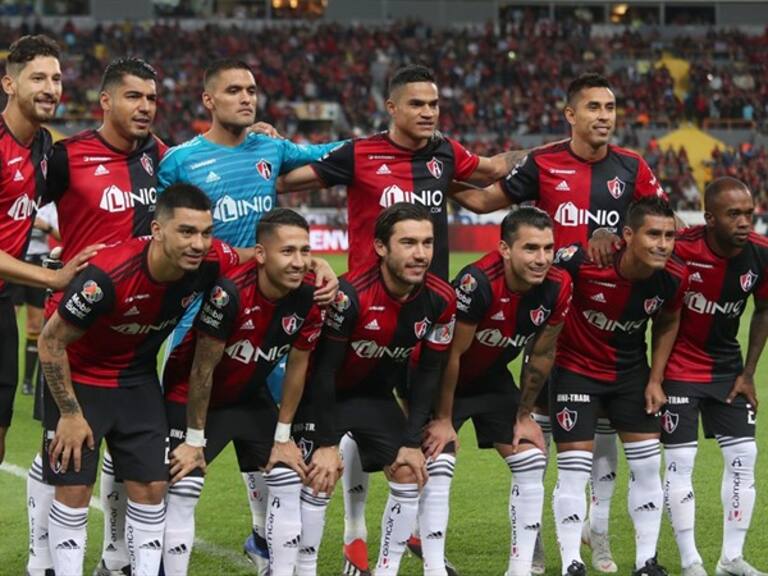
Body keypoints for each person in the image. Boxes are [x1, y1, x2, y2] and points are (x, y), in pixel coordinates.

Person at [278, 64, 521, 575]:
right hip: (359, 312)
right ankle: (354, 534)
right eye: (417, 104)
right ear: (391, 107)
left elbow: (490, 176)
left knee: (421, 437)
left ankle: (421, 543)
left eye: (434, 104)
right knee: (347, 425)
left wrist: (557, 152)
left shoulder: (445, 155)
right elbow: (285, 182)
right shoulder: (359, 153)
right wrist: (265, 147)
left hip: (424, 316)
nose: (428, 112)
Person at [451, 72, 667, 574]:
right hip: (552, 325)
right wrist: (430, 177)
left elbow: (661, 224)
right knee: (536, 441)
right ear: (571, 114)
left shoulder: (632, 167)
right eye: (593, 107)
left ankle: (598, 532)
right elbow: (483, 201)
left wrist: (616, 236)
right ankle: (532, 544)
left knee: (604, 442)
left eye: (610, 107)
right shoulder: (544, 163)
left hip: (608, 327)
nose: (604, 117)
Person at [156, 58, 340, 573]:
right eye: (234, 90)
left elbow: (328, 156)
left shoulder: (270, 149)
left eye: (252, 90)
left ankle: (265, 538)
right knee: (167, 458)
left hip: (268, 320)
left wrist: (384, 144)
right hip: (199, 314)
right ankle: (126, 551)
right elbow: (154, 230)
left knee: (281, 446)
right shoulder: (179, 161)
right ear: (208, 100)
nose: (246, 97)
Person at [37, 183, 245, 576]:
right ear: (157, 230)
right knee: (74, 489)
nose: (198, 244)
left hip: (137, 379)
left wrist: (316, 268)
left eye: (206, 232)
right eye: (186, 231)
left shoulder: (211, 260)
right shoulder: (107, 276)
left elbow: (256, 258)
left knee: (152, 489)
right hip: (80, 378)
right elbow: (50, 343)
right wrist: (69, 413)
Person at [26, 56, 168, 576]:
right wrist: (46, 270)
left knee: (130, 462)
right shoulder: (67, 157)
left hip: (135, 342)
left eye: (151, 98)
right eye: (134, 96)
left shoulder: (161, 157)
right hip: (73, 339)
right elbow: (16, 204)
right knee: (64, 461)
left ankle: (115, 555)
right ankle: (41, 560)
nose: (145, 107)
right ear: (106, 101)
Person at [159, 208, 330, 576]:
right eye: (288, 251)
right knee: (183, 487)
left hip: (249, 396)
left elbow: (298, 368)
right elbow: (202, 370)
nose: (299, 262)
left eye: (305, 251)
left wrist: (283, 437)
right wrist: (194, 441)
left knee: (289, 476)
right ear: (262, 254)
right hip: (191, 396)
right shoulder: (230, 293)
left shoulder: (309, 297)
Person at [290, 202, 457, 576]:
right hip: (322, 399)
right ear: (381, 247)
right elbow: (324, 372)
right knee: (317, 479)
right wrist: (327, 444)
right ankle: (303, 569)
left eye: (427, 243)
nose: (420, 254)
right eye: (408, 243)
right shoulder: (350, 296)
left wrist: (411, 441)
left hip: (374, 398)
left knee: (409, 471)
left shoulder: (441, 299)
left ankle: (385, 569)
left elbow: (429, 371)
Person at [420, 207, 572, 576]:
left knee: (532, 459)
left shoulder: (558, 285)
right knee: (439, 462)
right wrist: (443, 419)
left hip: (491, 378)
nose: (542, 259)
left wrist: (524, 415)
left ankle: (520, 569)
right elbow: (452, 355)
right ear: (505, 249)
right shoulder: (478, 282)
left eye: (548, 248)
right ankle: (433, 567)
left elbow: (542, 355)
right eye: (530, 248)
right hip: (440, 379)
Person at [548, 197, 688, 576]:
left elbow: (669, 321)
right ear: (627, 235)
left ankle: (646, 562)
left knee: (648, 467)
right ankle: (571, 562)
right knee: (574, 471)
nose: (663, 244)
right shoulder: (583, 261)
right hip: (575, 371)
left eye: (669, 236)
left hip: (630, 375)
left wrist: (656, 379)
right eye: (653, 234)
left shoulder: (674, 277)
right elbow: (540, 283)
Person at [0, 34, 99, 471]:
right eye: (38, 78)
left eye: (56, 79)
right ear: (9, 84)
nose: (50, 88)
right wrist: (51, 277)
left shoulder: (45, 147)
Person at [662, 177, 768, 576]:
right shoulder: (681, 247)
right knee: (680, 463)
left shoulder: (760, 253)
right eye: (733, 214)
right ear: (709, 218)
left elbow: (764, 310)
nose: (745, 222)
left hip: (727, 370)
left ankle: (731, 559)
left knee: (744, 458)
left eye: (749, 213)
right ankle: (691, 561)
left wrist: (749, 372)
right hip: (678, 369)